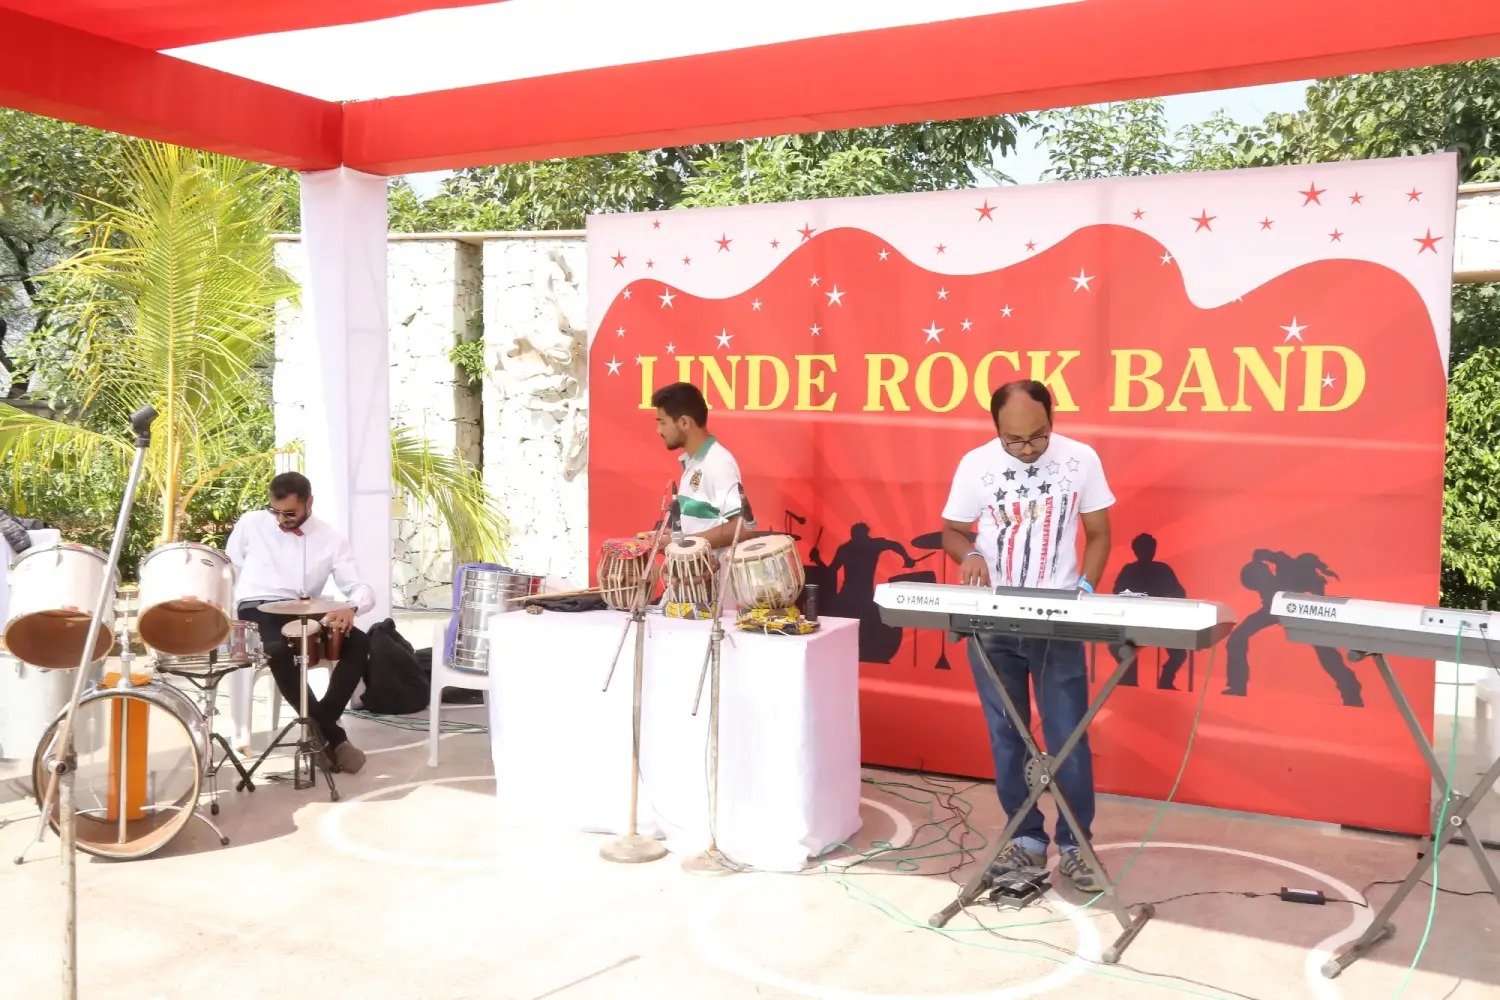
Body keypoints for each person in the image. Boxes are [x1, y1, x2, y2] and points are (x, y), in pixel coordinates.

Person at [939, 379, 1114, 892]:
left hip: (1058, 621)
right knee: (1006, 735)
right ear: (996, 431)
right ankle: (1027, 840)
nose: (1028, 450)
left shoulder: (1080, 459)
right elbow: (951, 529)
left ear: (1052, 420)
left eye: (1038, 437)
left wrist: (1085, 587)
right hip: (993, 623)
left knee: (1068, 739)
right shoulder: (976, 465)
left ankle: (1077, 846)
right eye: (1015, 441)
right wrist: (968, 554)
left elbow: (1100, 533)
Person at [226, 472, 375, 773]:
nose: (281, 519)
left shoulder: (331, 539)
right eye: (276, 511)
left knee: (359, 640)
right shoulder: (251, 523)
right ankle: (334, 737)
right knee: (278, 651)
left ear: (309, 502)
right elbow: (229, 570)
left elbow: (360, 587)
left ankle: (320, 726)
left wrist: (352, 607)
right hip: (257, 607)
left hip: (306, 608)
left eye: (290, 513)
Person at [651, 382, 756, 547]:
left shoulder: (718, 463)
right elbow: (706, 525)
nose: (658, 430)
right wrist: (676, 538)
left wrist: (683, 543)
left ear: (684, 422)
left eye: (662, 422)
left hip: (715, 572)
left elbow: (742, 528)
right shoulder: (694, 462)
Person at [1110, 533, 1188, 689]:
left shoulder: (1163, 569)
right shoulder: (1130, 570)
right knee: (1118, 646)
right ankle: (1129, 677)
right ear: (1136, 550)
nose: (1148, 551)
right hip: (1134, 622)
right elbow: (1117, 591)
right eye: (1144, 548)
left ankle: (1166, 679)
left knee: (1180, 652)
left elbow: (1180, 594)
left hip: (1160, 622)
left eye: (1150, 548)